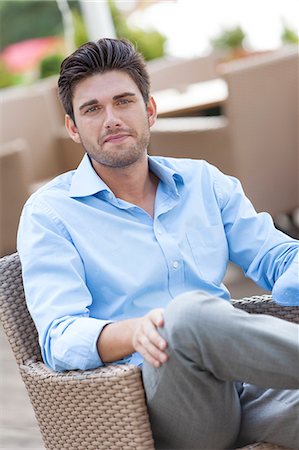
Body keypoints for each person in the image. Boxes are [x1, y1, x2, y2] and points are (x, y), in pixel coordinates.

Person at [17, 38, 299, 449]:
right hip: (153, 405)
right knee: (181, 317)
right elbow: (59, 337)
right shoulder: (50, 215)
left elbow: (276, 256)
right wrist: (137, 331)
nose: (111, 118)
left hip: (244, 388)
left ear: (149, 110)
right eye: (92, 109)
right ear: (73, 129)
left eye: (124, 101)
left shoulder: (204, 182)